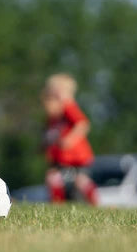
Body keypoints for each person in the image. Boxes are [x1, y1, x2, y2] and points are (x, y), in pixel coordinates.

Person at [42, 73, 98, 205]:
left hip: (76, 158)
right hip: (62, 159)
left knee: (81, 181)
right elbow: (51, 135)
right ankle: (58, 204)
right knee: (54, 178)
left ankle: (95, 203)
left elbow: (82, 124)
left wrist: (69, 140)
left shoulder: (69, 108)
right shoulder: (54, 117)